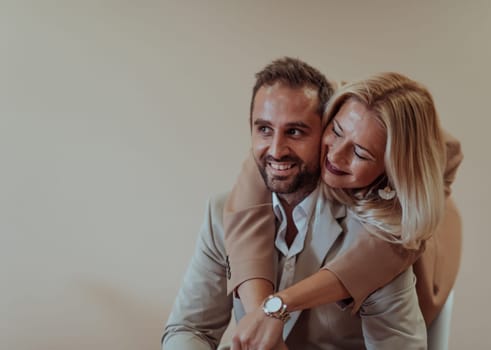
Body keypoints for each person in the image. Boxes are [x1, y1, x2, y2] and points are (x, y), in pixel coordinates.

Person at [162, 57, 428, 349]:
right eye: (263, 129)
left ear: (322, 128)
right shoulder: (221, 212)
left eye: (295, 132)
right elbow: (188, 328)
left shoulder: (378, 234)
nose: (276, 150)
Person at [224, 60, 463, 349]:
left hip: (418, 246)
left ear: (391, 169)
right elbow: (250, 194)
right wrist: (262, 319)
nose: (334, 157)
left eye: (360, 153)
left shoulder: (411, 200)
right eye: (335, 131)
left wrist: (279, 304)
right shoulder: (336, 105)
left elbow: (383, 255)